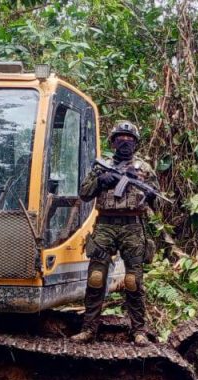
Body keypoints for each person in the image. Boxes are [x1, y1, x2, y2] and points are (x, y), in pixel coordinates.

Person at [71, 120, 159, 346]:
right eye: (120, 138)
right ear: (113, 142)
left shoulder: (144, 169)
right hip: (105, 225)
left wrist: (149, 195)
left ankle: (139, 330)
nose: (125, 142)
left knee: (133, 280)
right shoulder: (101, 166)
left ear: (136, 143)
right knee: (96, 278)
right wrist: (101, 181)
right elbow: (83, 193)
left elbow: (158, 202)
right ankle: (89, 329)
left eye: (130, 139)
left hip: (132, 226)